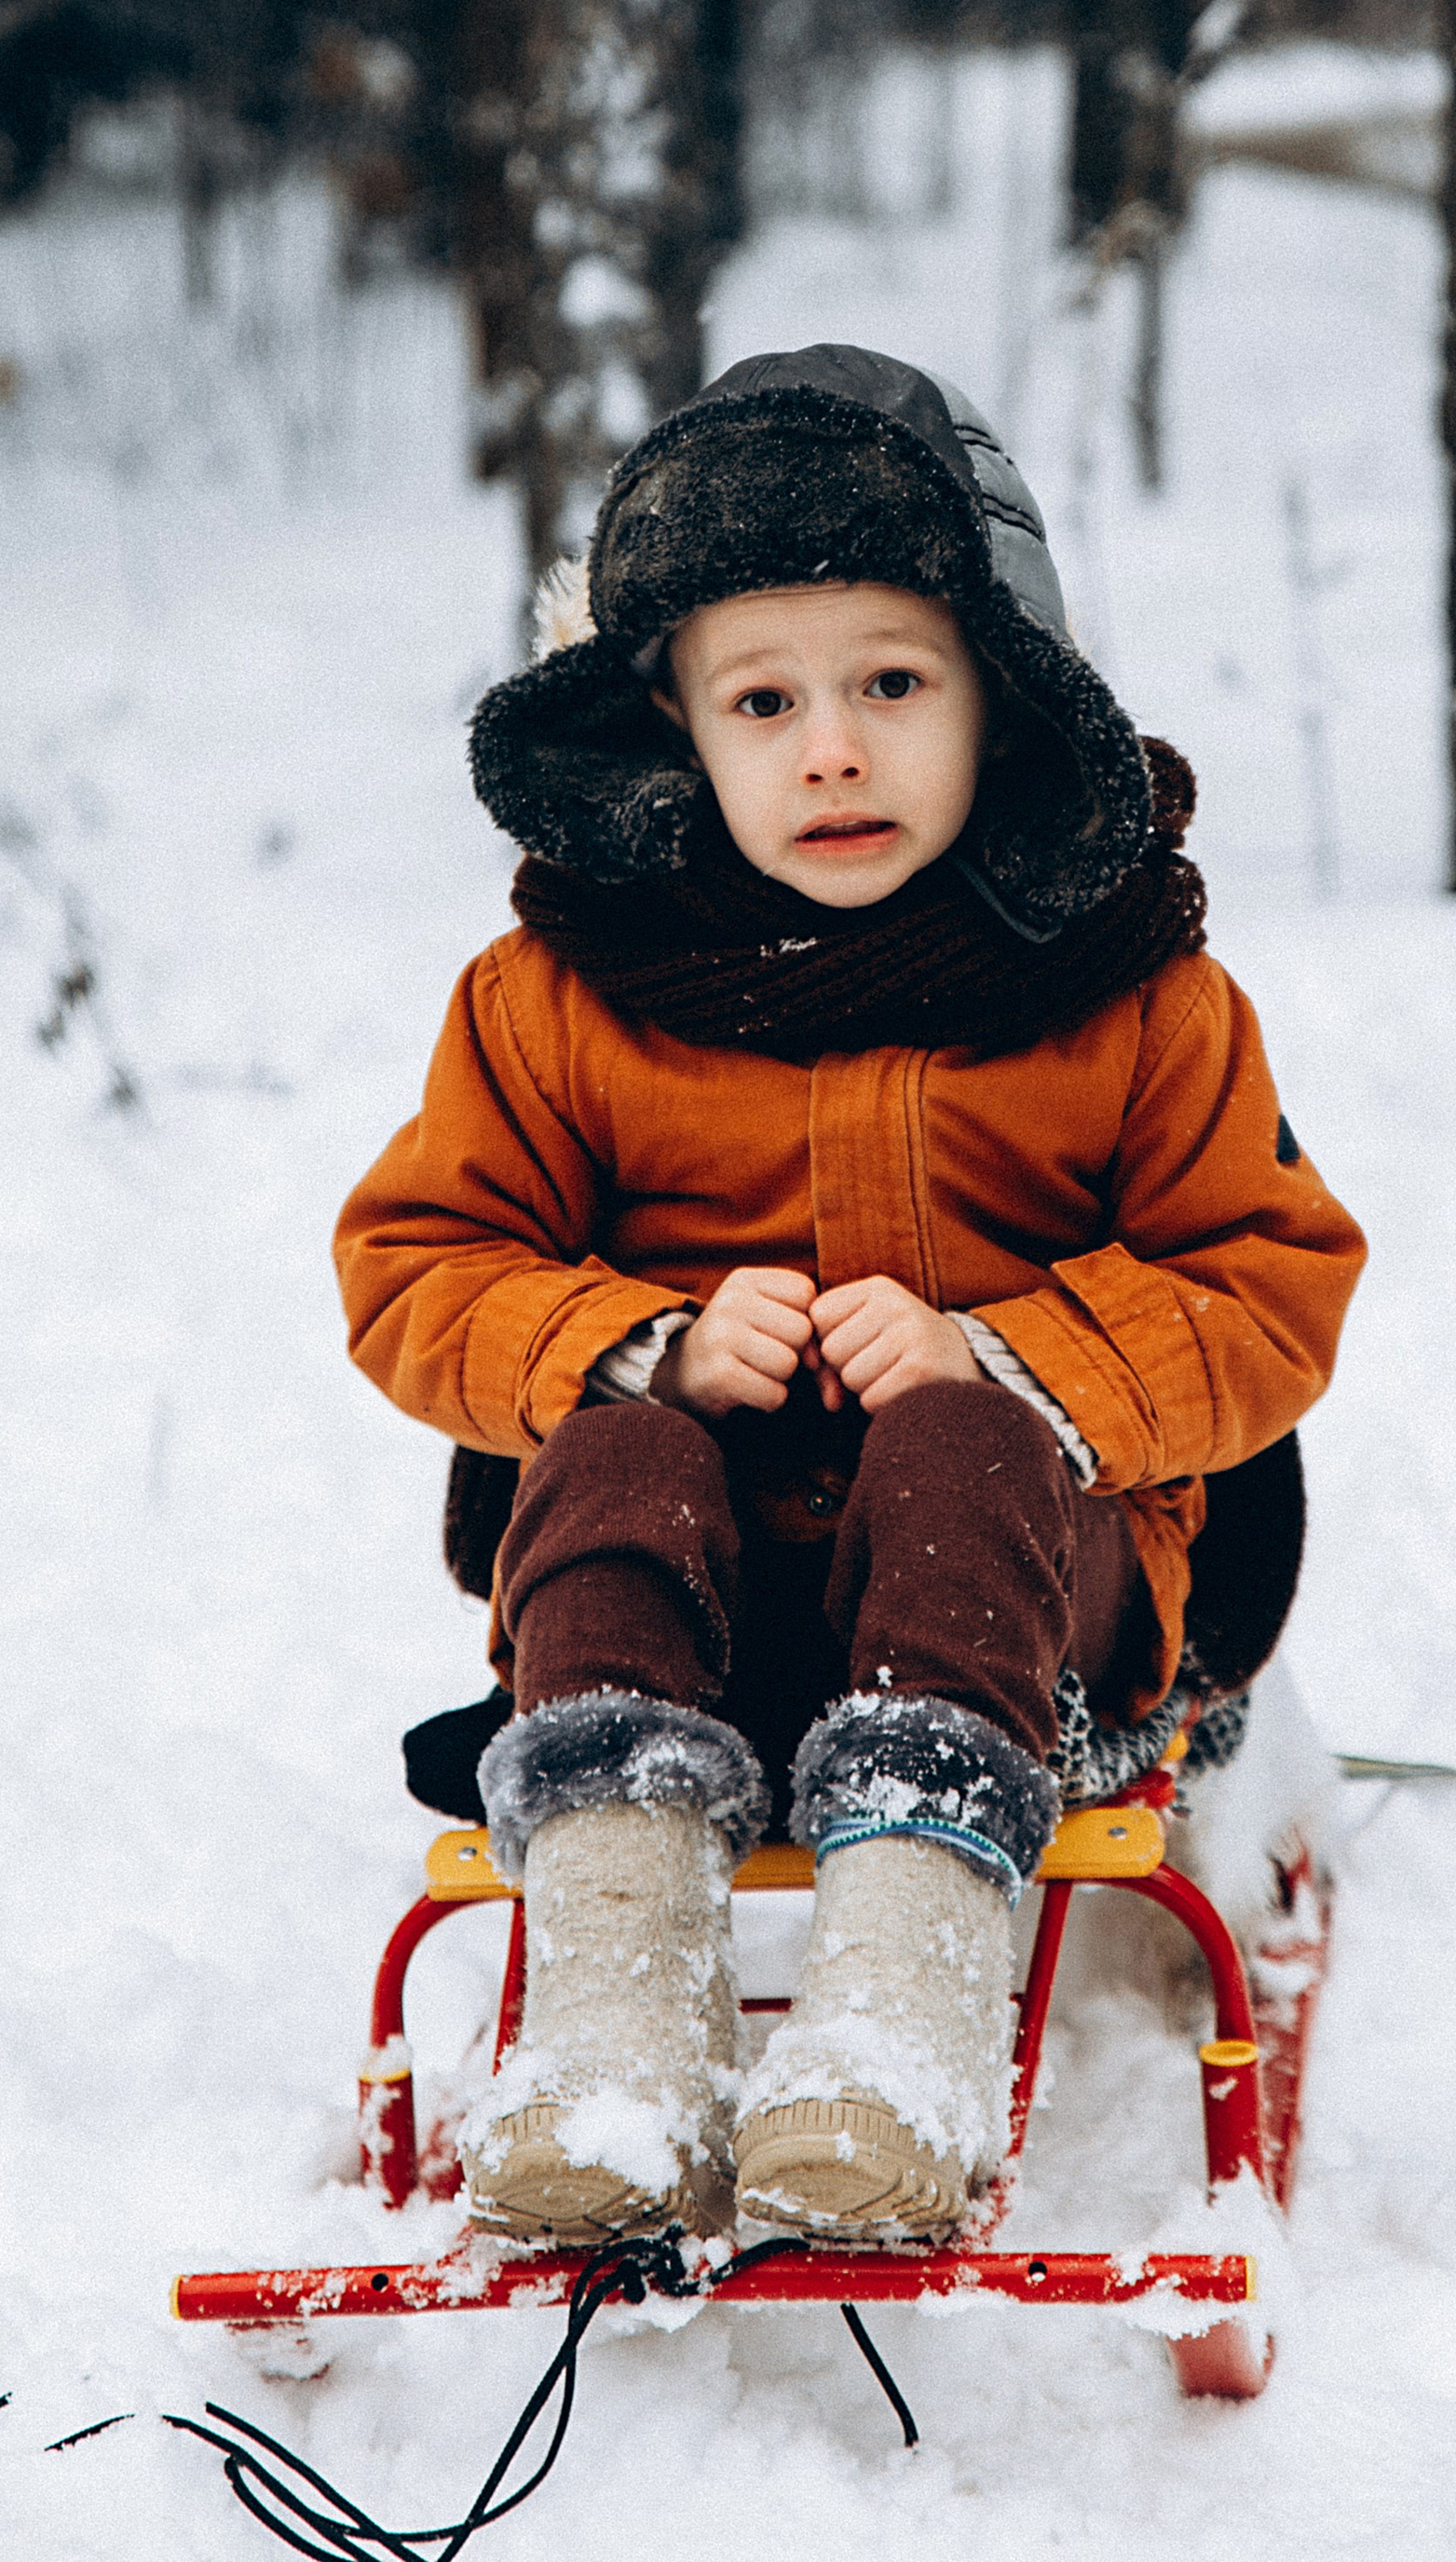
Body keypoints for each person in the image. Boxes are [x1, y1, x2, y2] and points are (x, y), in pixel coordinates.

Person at [334, 346, 1364, 2247]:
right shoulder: (557, 999)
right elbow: (416, 1265)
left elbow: (1266, 1281)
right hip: (684, 1629)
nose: (830, 747)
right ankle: (615, 2025)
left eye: (892, 682)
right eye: (764, 699)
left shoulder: (1129, 995)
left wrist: (1020, 1356)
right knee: (616, 1455)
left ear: (1004, 697)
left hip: (1016, 1627)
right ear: (673, 731)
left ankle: (899, 2022)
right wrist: (621, 1341)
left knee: (957, 1440)